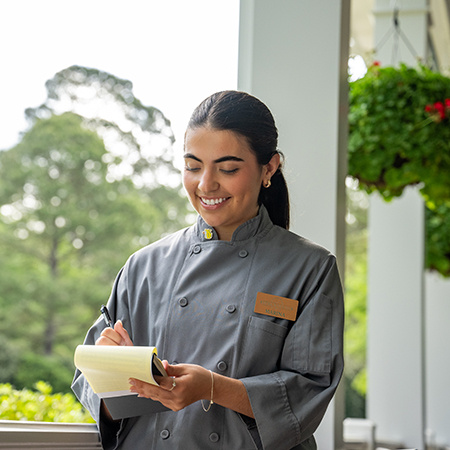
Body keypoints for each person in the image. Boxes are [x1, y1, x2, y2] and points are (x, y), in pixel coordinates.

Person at [72, 90, 344, 450]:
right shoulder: (144, 266)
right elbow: (92, 389)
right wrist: (119, 370)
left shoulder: (309, 269)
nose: (205, 184)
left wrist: (213, 388)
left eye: (228, 168)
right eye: (193, 166)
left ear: (269, 168)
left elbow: (309, 390)